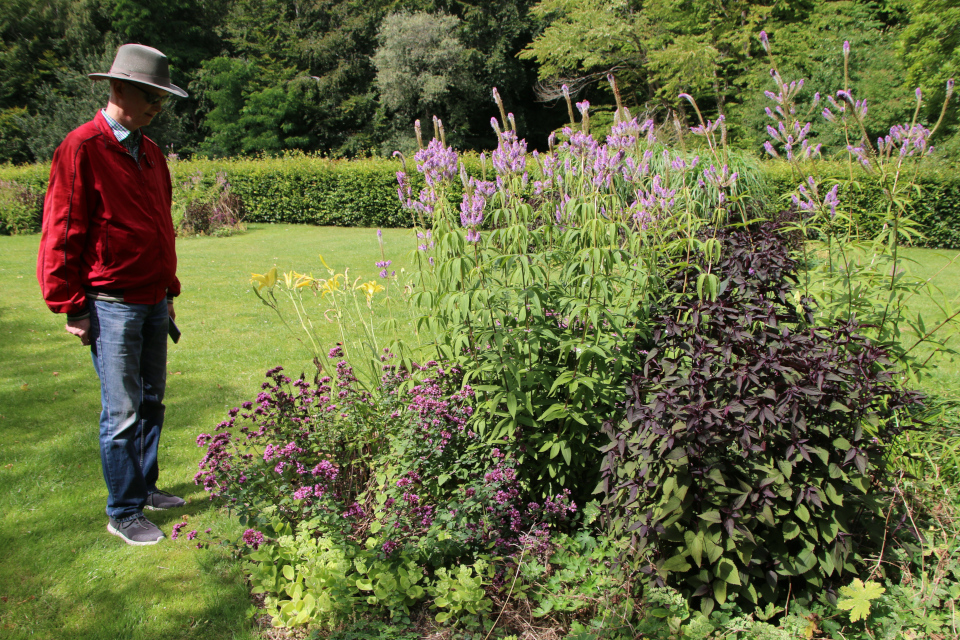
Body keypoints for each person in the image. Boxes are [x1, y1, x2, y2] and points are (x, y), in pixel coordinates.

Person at [36, 44, 189, 546]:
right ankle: (123, 511)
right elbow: (63, 228)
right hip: (111, 303)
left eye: (162, 100)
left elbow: (161, 229)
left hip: (150, 298)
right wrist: (71, 304)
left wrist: (168, 291)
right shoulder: (81, 147)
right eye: (151, 96)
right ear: (118, 87)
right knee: (121, 412)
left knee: (152, 401)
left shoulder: (151, 153)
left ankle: (144, 488)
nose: (156, 108)